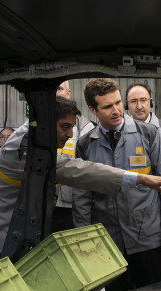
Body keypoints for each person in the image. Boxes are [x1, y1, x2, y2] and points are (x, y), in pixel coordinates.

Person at [0, 96, 161, 262]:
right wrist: (138, 178)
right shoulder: (26, 149)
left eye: (72, 127)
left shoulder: (34, 131)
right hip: (4, 236)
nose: (69, 134)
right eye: (64, 127)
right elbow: (79, 170)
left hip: (21, 228)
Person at [73, 78, 161, 291]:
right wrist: (84, 240)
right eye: (107, 106)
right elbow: (82, 197)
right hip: (108, 242)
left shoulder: (149, 135)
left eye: (118, 103)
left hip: (148, 239)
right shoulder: (86, 145)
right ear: (93, 110)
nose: (116, 110)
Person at [53, 80, 97, 233]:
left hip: (71, 206)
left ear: (68, 93)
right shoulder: (37, 124)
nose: (56, 92)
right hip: (44, 204)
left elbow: (88, 171)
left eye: (59, 88)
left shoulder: (86, 127)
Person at [125, 83, 161, 166]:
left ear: (150, 102)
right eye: (133, 101)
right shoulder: (120, 131)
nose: (139, 106)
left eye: (143, 100)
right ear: (126, 105)